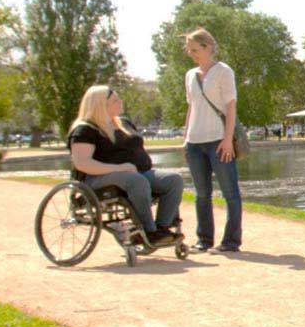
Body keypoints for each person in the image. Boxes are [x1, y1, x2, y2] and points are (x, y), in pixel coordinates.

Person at [66, 84, 184, 244]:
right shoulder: (85, 130)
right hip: (100, 178)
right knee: (136, 181)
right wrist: (119, 168)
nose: (120, 102)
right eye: (115, 100)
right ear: (101, 105)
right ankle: (148, 231)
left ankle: (162, 228)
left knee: (173, 180)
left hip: (138, 172)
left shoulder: (124, 123)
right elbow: (83, 163)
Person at [181, 28, 242, 253]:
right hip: (194, 141)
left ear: (207, 47)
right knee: (201, 194)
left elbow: (230, 107)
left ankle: (230, 242)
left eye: (195, 49)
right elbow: (191, 108)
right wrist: (185, 137)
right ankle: (204, 240)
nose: (191, 54)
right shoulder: (190, 75)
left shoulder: (223, 72)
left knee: (230, 193)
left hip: (217, 139)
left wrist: (227, 140)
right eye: (189, 50)